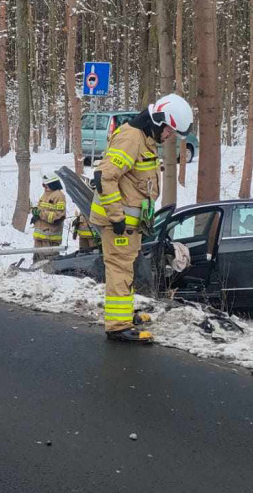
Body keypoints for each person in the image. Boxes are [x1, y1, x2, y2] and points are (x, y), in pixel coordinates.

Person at [89, 93, 193, 343]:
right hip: (118, 225)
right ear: (158, 120)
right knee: (119, 270)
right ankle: (117, 326)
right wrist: (116, 218)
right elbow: (105, 176)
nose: (168, 136)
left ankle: (123, 315)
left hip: (129, 225)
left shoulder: (143, 138)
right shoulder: (131, 138)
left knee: (126, 269)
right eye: (169, 130)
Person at [32, 172, 67, 261]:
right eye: (43, 185)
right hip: (40, 236)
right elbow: (43, 209)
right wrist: (35, 211)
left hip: (50, 237)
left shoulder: (59, 196)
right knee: (37, 261)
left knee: (49, 262)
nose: (44, 187)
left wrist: (40, 213)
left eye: (46, 185)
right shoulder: (45, 194)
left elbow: (59, 217)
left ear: (52, 184)